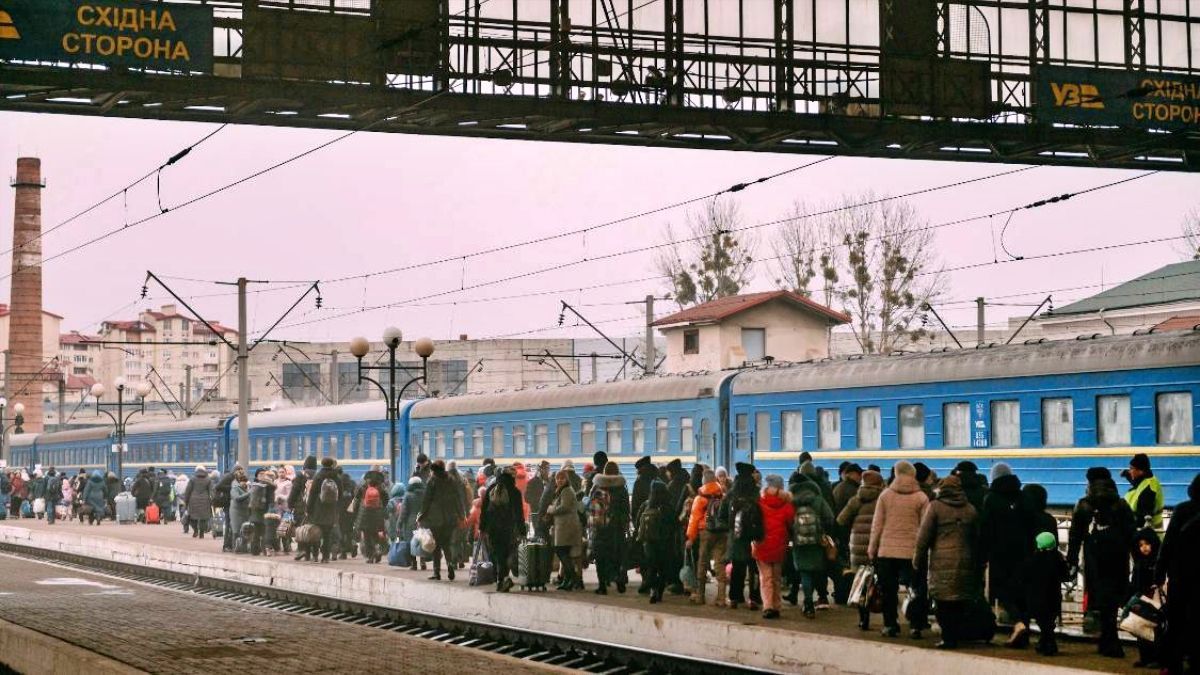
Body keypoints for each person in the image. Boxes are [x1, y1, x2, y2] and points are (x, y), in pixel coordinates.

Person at [1071, 470, 1136, 657]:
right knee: (1112, 601)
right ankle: (1109, 640)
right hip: (1118, 559)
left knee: (1101, 600)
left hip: (1095, 561)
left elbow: (1075, 537)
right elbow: (1131, 533)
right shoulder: (1121, 504)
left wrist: (1072, 560)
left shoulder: (1083, 505)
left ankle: (1109, 642)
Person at [912, 475, 980, 649]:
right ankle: (956, 634)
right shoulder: (970, 509)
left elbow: (923, 537)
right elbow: (976, 537)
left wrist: (917, 558)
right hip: (965, 559)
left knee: (943, 600)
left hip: (941, 561)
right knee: (959, 598)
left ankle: (948, 638)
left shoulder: (935, 507)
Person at [868, 460, 929, 639]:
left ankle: (890, 625)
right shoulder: (921, 497)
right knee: (916, 589)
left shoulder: (885, 495)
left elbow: (877, 525)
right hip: (912, 551)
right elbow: (925, 527)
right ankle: (916, 626)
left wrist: (872, 548)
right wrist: (925, 550)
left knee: (889, 591)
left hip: (887, 551)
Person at [978, 462, 1034, 647]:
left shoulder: (991, 499)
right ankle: (1023, 630)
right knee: (1022, 592)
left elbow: (986, 529)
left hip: (1000, 553)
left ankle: (1019, 625)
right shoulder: (1024, 496)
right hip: (1024, 552)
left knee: (1003, 592)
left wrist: (982, 554)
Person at [1156, 473, 1200, 675]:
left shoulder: (1183, 510)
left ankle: (1173, 664)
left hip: (1181, 576)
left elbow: (1168, 544)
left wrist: (1159, 572)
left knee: (1176, 622)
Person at [838, 469, 884, 631]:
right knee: (882, 581)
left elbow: (841, 520)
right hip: (878, 545)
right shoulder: (883, 499)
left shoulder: (856, 500)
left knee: (861, 583)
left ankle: (864, 619)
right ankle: (888, 618)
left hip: (857, 546)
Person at [789, 474, 834, 619]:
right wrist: (824, 532)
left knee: (805, 572)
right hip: (817, 541)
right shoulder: (818, 499)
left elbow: (788, 520)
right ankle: (821, 597)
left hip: (799, 542)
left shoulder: (791, 500)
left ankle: (808, 604)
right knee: (817, 570)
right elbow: (830, 518)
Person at [753, 474, 794, 619]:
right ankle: (776, 606)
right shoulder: (787, 504)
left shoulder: (759, 502)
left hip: (762, 544)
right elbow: (791, 522)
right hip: (779, 545)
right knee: (776, 577)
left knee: (766, 578)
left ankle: (768, 606)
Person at [723, 463, 762, 610]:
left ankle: (735, 597)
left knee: (737, 567)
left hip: (736, 536)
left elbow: (722, 514)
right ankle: (754, 598)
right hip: (753, 536)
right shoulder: (756, 492)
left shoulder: (732, 493)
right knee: (754, 568)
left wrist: (731, 528)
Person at [587, 462, 630, 595]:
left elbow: (590, 507)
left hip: (600, 527)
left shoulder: (597, 486)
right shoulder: (622, 488)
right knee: (616, 555)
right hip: (617, 528)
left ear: (604, 472)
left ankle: (602, 586)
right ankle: (618, 578)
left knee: (600, 557)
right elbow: (626, 509)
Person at [420, 460, 467, 581]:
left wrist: (421, 516)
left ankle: (437, 572)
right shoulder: (452, 480)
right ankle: (450, 565)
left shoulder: (432, 481)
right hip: (450, 519)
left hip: (435, 519)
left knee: (436, 546)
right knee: (447, 544)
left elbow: (426, 501)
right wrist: (461, 515)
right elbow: (458, 499)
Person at [686, 469, 727, 605]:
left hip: (706, 532)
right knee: (720, 563)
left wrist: (691, 538)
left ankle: (700, 596)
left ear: (704, 481)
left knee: (702, 562)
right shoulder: (722, 496)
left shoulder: (700, 498)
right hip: (722, 532)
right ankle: (721, 598)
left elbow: (694, 519)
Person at [479, 466, 524, 591]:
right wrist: (522, 531)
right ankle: (503, 579)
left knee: (497, 554)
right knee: (507, 553)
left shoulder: (491, 489)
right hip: (508, 527)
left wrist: (482, 528)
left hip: (492, 527)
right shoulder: (515, 491)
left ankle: (500, 580)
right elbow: (519, 513)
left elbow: (484, 510)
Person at [547, 469, 584, 591]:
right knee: (565, 553)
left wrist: (551, 510)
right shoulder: (562, 490)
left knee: (561, 551)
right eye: (557, 478)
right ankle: (568, 580)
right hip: (564, 525)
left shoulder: (567, 490)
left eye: (562, 478)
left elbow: (564, 507)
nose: (559, 480)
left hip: (567, 526)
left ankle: (572, 578)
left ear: (566, 479)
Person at [1130, 528, 1161, 668]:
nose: (1144, 548)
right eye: (1141, 545)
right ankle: (1145, 657)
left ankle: (1156, 658)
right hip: (1142, 600)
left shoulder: (1155, 562)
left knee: (1155, 630)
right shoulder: (1140, 563)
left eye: (1147, 544)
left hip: (1153, 599)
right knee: (1141, 629)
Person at [304, 457, 342, 563]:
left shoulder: (318, 476)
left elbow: (312, 494)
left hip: (318, 508)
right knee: (327, 534)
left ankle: (315, 555)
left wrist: (308, 508)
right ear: (332, 464)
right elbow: (340, 494)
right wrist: (337, 508)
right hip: (331, 509)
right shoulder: (336, 477)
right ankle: (325, 557)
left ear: (322, 464)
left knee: (316, 533)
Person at [1124, 453, 1164, 533]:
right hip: (1151, 529)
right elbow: (1137, 483)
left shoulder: (1148, 491)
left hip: (1146, 533)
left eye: (1131, 468)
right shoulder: (1149, 479)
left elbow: (1142, 519)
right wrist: (1126, 475)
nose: (1129, 471)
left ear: (1141, 471)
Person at [356, 470, 388, 564]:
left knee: (366, 536)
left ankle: (370, 556)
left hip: (365, 515)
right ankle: (377, 549)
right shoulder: (381, 490)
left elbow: (356, 499)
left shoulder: (363, 488)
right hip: (377, 515)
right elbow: (386, 500)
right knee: (375, 534)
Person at [290, 457, 316, 560]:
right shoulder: (317, 476)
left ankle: (302, 550)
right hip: (313, 507)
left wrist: (290, 504)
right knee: (311, 529)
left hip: (300, 507)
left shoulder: (300, 475)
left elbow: (294, 492)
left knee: (301, 529)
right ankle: (312, 552)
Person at [402, 476, 426, 571]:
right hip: (423, 520)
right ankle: (423, 562)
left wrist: (399, 524)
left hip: (410, 522)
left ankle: (414, 563)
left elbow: (404, 511)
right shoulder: (425, 494)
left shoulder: (407, 495)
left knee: (411, 542)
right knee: (422, 540)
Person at [183, 466, 214, 538]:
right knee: (203, 518)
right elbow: (211, 491)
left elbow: (188, 491)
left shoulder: (192, 479)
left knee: (192, 517)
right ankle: (201, 533)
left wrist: (186, 501)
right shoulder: (208, 479)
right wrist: (213, 501)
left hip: (193, 501)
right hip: (205, 501)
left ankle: (195, 530)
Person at [229, 470, 251, 553]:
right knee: (236, 530)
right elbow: (237, 498)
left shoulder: (246, 489)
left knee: (244, 530)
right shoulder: (235, 489)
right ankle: (235, 547)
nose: (244, 483)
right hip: (236, 512)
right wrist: (249, 493)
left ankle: (243, 548)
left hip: (245, 511)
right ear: (239, 482)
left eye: (245, 482)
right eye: (243, 482)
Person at [526, 461, 550, 526]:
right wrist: (539, 501)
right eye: (545, 468)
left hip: (548, 513)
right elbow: (527, 498)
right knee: (538, 531)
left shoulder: (550, 482)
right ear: (540, 470)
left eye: (548, 468)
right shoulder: (532, 482)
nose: (547, 471)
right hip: (536, 513)